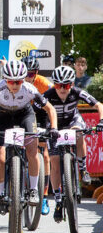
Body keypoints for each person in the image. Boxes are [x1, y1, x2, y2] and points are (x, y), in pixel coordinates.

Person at [0, 60, 58, 214]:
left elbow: (50, 109)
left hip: (25, 115)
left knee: (32, 151)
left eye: (18, 81)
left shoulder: (29, 89)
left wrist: (54, 128)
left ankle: (33, 189)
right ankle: (1, 193)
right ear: (5, 80)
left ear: (23, 79)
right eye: (11, 81)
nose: (15, 85)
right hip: (4, 117)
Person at [45, 65, 103, 222]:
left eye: (66, 85)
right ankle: (58, 201)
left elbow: (98, 105)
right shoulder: (48, 95)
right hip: (54, 125)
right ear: (54, 84)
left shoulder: (77, 92)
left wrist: (101, 120)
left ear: (72, 84)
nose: (62, 89)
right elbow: (34, 110)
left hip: (72, 121)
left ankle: (83, 169)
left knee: (79, 132)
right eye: (58, 85)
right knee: (54, 161)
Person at [22, 55, 53, 215]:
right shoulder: (16, 82)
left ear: (37, 73)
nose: (28, 77)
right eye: (26, 73)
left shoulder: (44, 84)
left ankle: (44, 196)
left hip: (40, 115)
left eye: (32, 74)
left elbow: (51, 106)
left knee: (45, 155)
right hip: (22, 114)